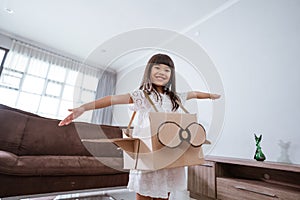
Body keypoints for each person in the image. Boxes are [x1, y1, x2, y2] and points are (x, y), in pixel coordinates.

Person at [58, 53, 221, 200]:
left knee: (165, 193)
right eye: (157, 67)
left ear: (171, 75)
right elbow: (111, 99)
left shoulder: (175, 98)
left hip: (170, 154)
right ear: (149, 71)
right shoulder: (142, 95)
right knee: (143, 192)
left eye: (167, 69)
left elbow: (194, 94)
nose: (161, 72)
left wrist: (210, 96)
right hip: (146, 152)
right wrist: (84, 107)